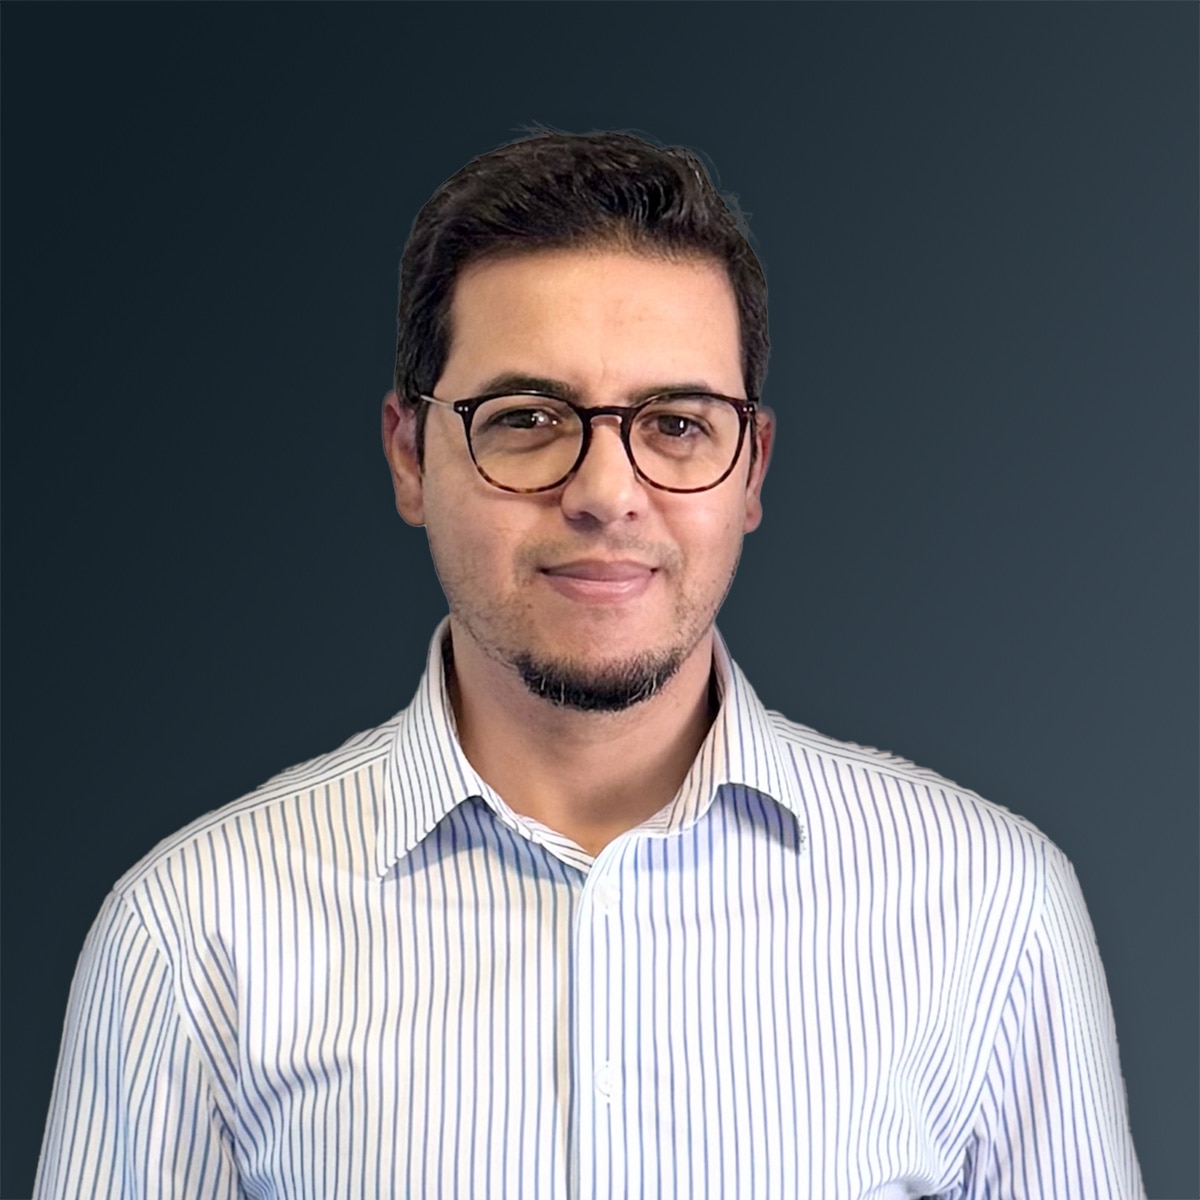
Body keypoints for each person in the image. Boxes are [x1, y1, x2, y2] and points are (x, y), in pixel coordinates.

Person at [36, 130, 1144, 1199]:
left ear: (750, 470)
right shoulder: (190, 935)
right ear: (410, 456)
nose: (607, 492)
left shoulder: (991, 908)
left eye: (675, 424)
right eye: (527, 418)